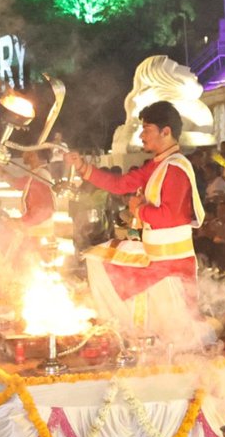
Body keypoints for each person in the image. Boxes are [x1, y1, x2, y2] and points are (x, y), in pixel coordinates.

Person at [64, 101, 208, 345]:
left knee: (99, 260)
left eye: (147, 129)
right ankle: (120, 330)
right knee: (97, 256)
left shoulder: (175, 168)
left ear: (166, 132)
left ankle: (121, 330)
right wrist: (82, 167)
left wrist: (138, 209)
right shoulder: (157, 164)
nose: (141, 135)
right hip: (155, 255)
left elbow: (169, 216)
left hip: (169, 262)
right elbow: (120, 185)